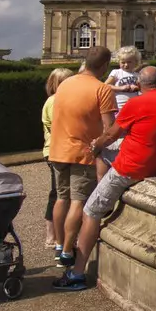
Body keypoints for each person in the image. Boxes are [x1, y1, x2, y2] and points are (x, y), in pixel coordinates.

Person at [53, 65, 156, 292]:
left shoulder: (136, 103)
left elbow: (110, 134)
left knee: (90, 211)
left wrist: (94, 146)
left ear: (140, 85)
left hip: (131, 168)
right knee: (109, 153)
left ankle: (77, 273)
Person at [45, 47, 116, 270]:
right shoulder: (102, 89)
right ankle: (67, 251)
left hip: (57, 150)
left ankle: (58, 245)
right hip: (81, 152)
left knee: (61, 198)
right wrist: (98, 146)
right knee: (78, 201)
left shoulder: (65, 84)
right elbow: (110, 129)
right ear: (104, 66)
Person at [39, 66, 73, 249]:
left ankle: (59, 233)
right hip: (55, 151)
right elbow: (59, 127)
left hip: (61, 150)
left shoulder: (62, 100)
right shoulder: (54, 101)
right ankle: (51, 235)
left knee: (62, 193)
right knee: (57, 194)